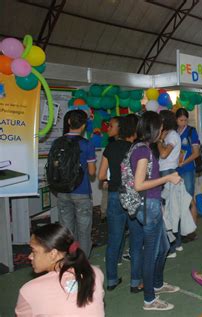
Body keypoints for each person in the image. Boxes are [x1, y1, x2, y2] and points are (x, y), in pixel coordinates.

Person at [128, 111, 182, 311]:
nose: (163, 130)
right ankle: (149, 299)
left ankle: (157, 284)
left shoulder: (145, 148)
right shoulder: (142, 151)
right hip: (147, 205)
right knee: (151, 253)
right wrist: (167, 178)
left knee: (164, 247)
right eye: (160, 126)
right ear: (154, 128)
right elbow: (139, 184)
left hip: (153, 203)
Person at [15, 223, 104, 316]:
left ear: (53, 254)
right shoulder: (95, 273)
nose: (30, 256)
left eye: (34, 251)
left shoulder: (29, 290)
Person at [98, 115, 138, 290]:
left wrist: (110, 180)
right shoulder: (136, 149)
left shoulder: (110, 147)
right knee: (137, 238)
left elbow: (100, 176)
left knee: (114, 239)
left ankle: (112, 280)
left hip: (114, 195)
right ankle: (136, 281)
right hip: (132, 196)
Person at [56, 110, 96, 257]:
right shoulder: (87, 144)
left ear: (68, 123)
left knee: (66, 231)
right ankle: (82, 264)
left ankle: (68, 261)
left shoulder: (57, 142)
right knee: (84, 231)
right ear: (84, 125)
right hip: (82, 191)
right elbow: (92, 172)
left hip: (62, 191)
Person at [157, 110, 183, 258]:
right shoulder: (171, 134)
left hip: (168, 172)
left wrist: (160, 141)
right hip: (168, 172)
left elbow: (164, 154)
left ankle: (171, 247)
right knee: (172, 209)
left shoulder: (172, 135)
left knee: (168, 211)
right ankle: (177, 243)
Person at [176, 108, 200, 241]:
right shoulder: (172, 132)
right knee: (178, 201)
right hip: (176, 171)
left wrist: (183, 162)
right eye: (181, 120)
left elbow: (196, 153)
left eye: (185, 120)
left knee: (190, 200)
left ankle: (192, 231)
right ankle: (182, 230)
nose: (183, 122)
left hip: (188, 169)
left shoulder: (191, 131)